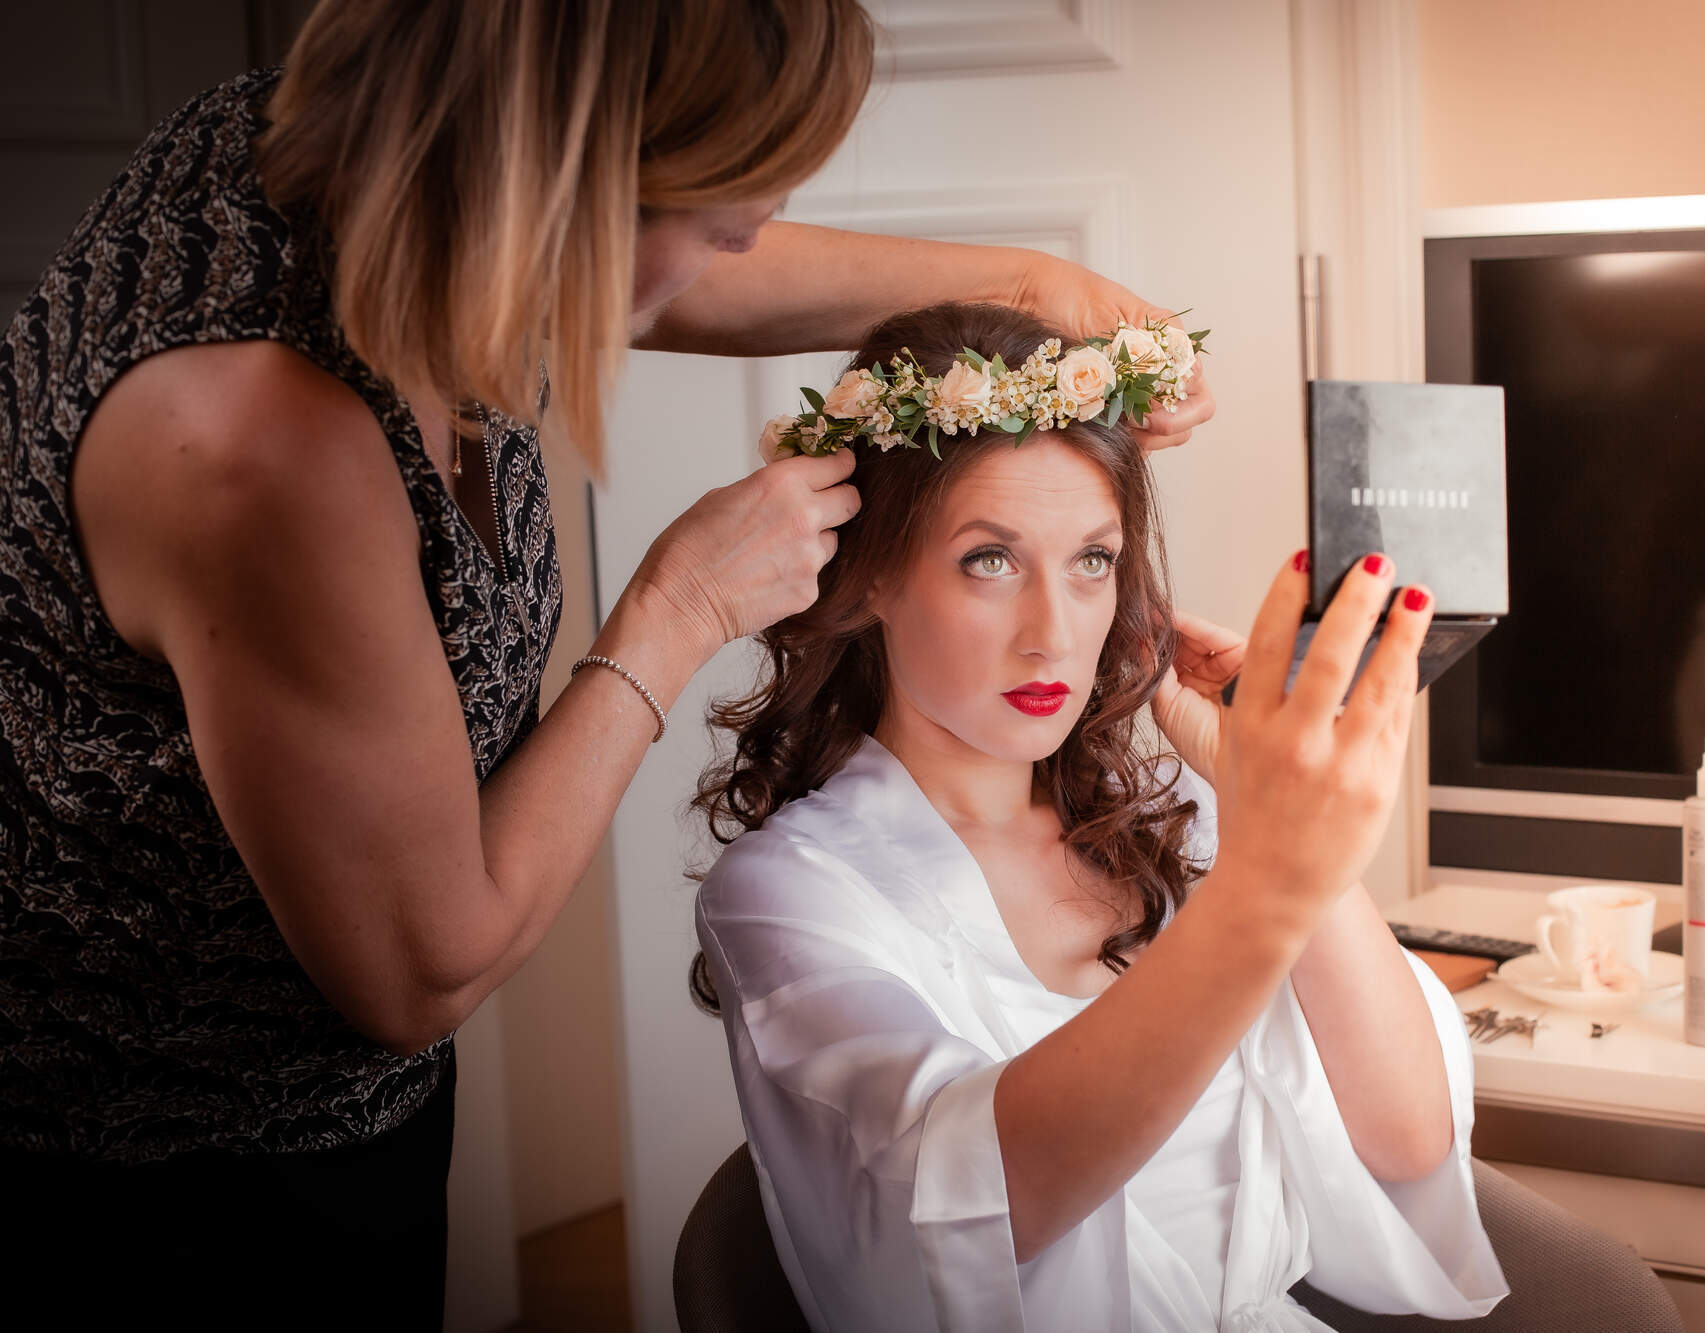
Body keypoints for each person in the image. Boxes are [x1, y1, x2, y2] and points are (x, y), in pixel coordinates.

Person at [0, 2, 1211, 1325]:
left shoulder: (405, 182)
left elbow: (680, 259)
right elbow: (416, 970)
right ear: (569, 177)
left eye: (1091, 560)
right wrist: (676, 609)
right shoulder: (252, 444)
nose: (758, 229)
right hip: (160, 1179)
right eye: (724, 205)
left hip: (348, 1113)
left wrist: (1027, 290)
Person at [693, 302, 1507, 1331]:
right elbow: (969, 1193)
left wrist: (1259, 808)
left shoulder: (1177, 819)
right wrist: (1266, 887)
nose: (1052, 633)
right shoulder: (789, 893)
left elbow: (1409, 1137)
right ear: (873, 577)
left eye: (1091, 560)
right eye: (989, 560)